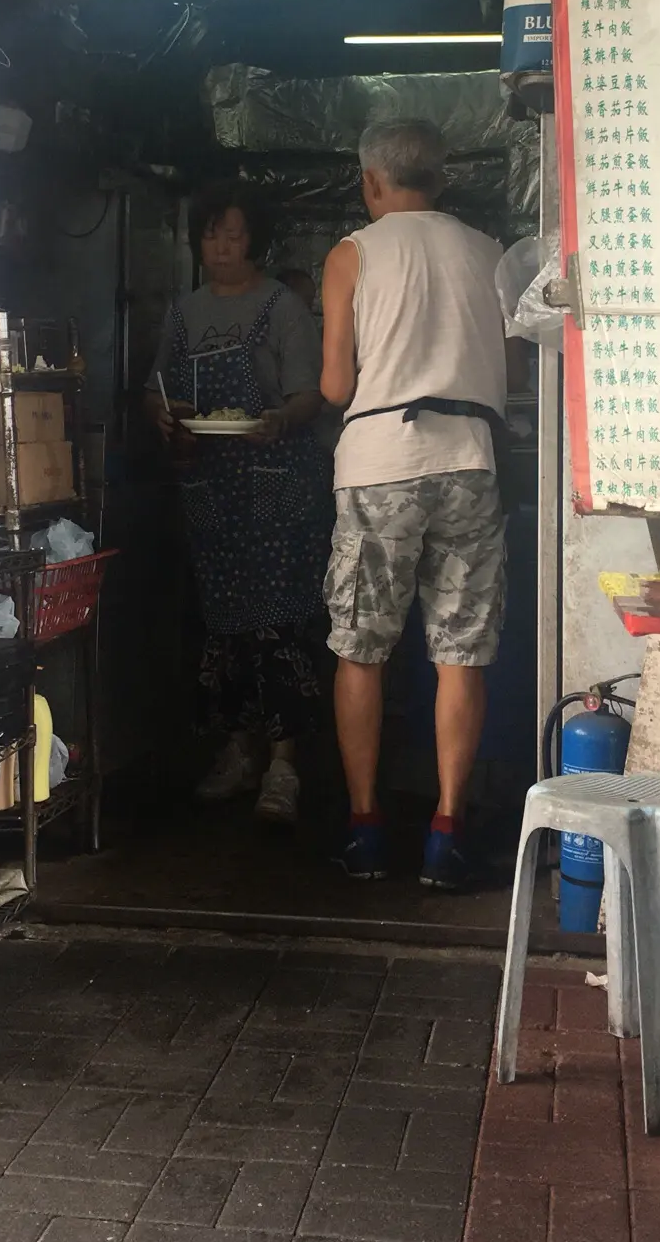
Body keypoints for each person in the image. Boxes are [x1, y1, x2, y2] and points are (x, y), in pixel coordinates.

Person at [319, 118, 511, 890]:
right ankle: (446, 834)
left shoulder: (352, 254)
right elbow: (511, 363)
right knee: (461, 649)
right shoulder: (490, 253)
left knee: (360, 646)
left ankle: (366, 831)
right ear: (443, 177)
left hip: (379, 466)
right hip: (470, 459)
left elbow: (335, 384)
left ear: (371, 180)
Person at [146, 180, 333, 825]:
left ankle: (285, 765)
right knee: (221, 625)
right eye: (211, 236)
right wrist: (163, 415)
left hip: (278, 484)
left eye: (234, 236)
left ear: (255, 241)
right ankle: (237, 752)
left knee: (278, 623)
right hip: (210, 487)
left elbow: (312, 395)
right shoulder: (183, 312)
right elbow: (155, 391)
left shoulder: (281, 306)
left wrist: (280, 418)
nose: (222, 248)